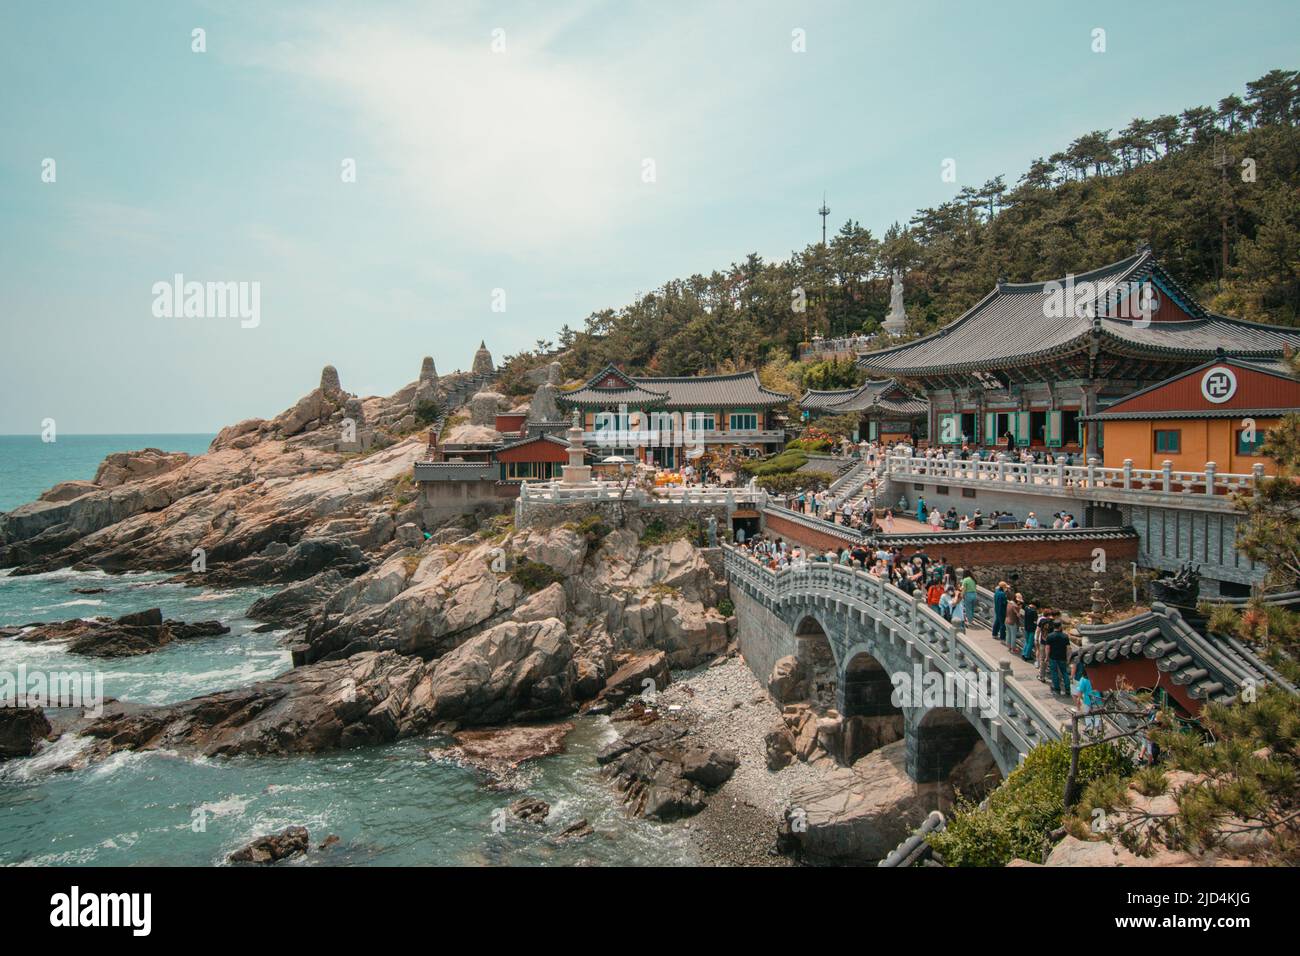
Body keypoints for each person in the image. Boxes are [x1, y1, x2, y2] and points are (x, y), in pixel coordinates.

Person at [1046, 624, 1071, 695]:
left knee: (1054, 672)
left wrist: (1047, 657)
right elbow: (1068, 648)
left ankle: (1057, 688)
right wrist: (1068, 658)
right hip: (1062, 657)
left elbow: (1047, 648)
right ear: (1060, 627)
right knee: (1064, 672)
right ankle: (1067, 688)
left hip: (1053, 657)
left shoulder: (1050, 636)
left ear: (1054, 627)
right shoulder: (1065, 636)